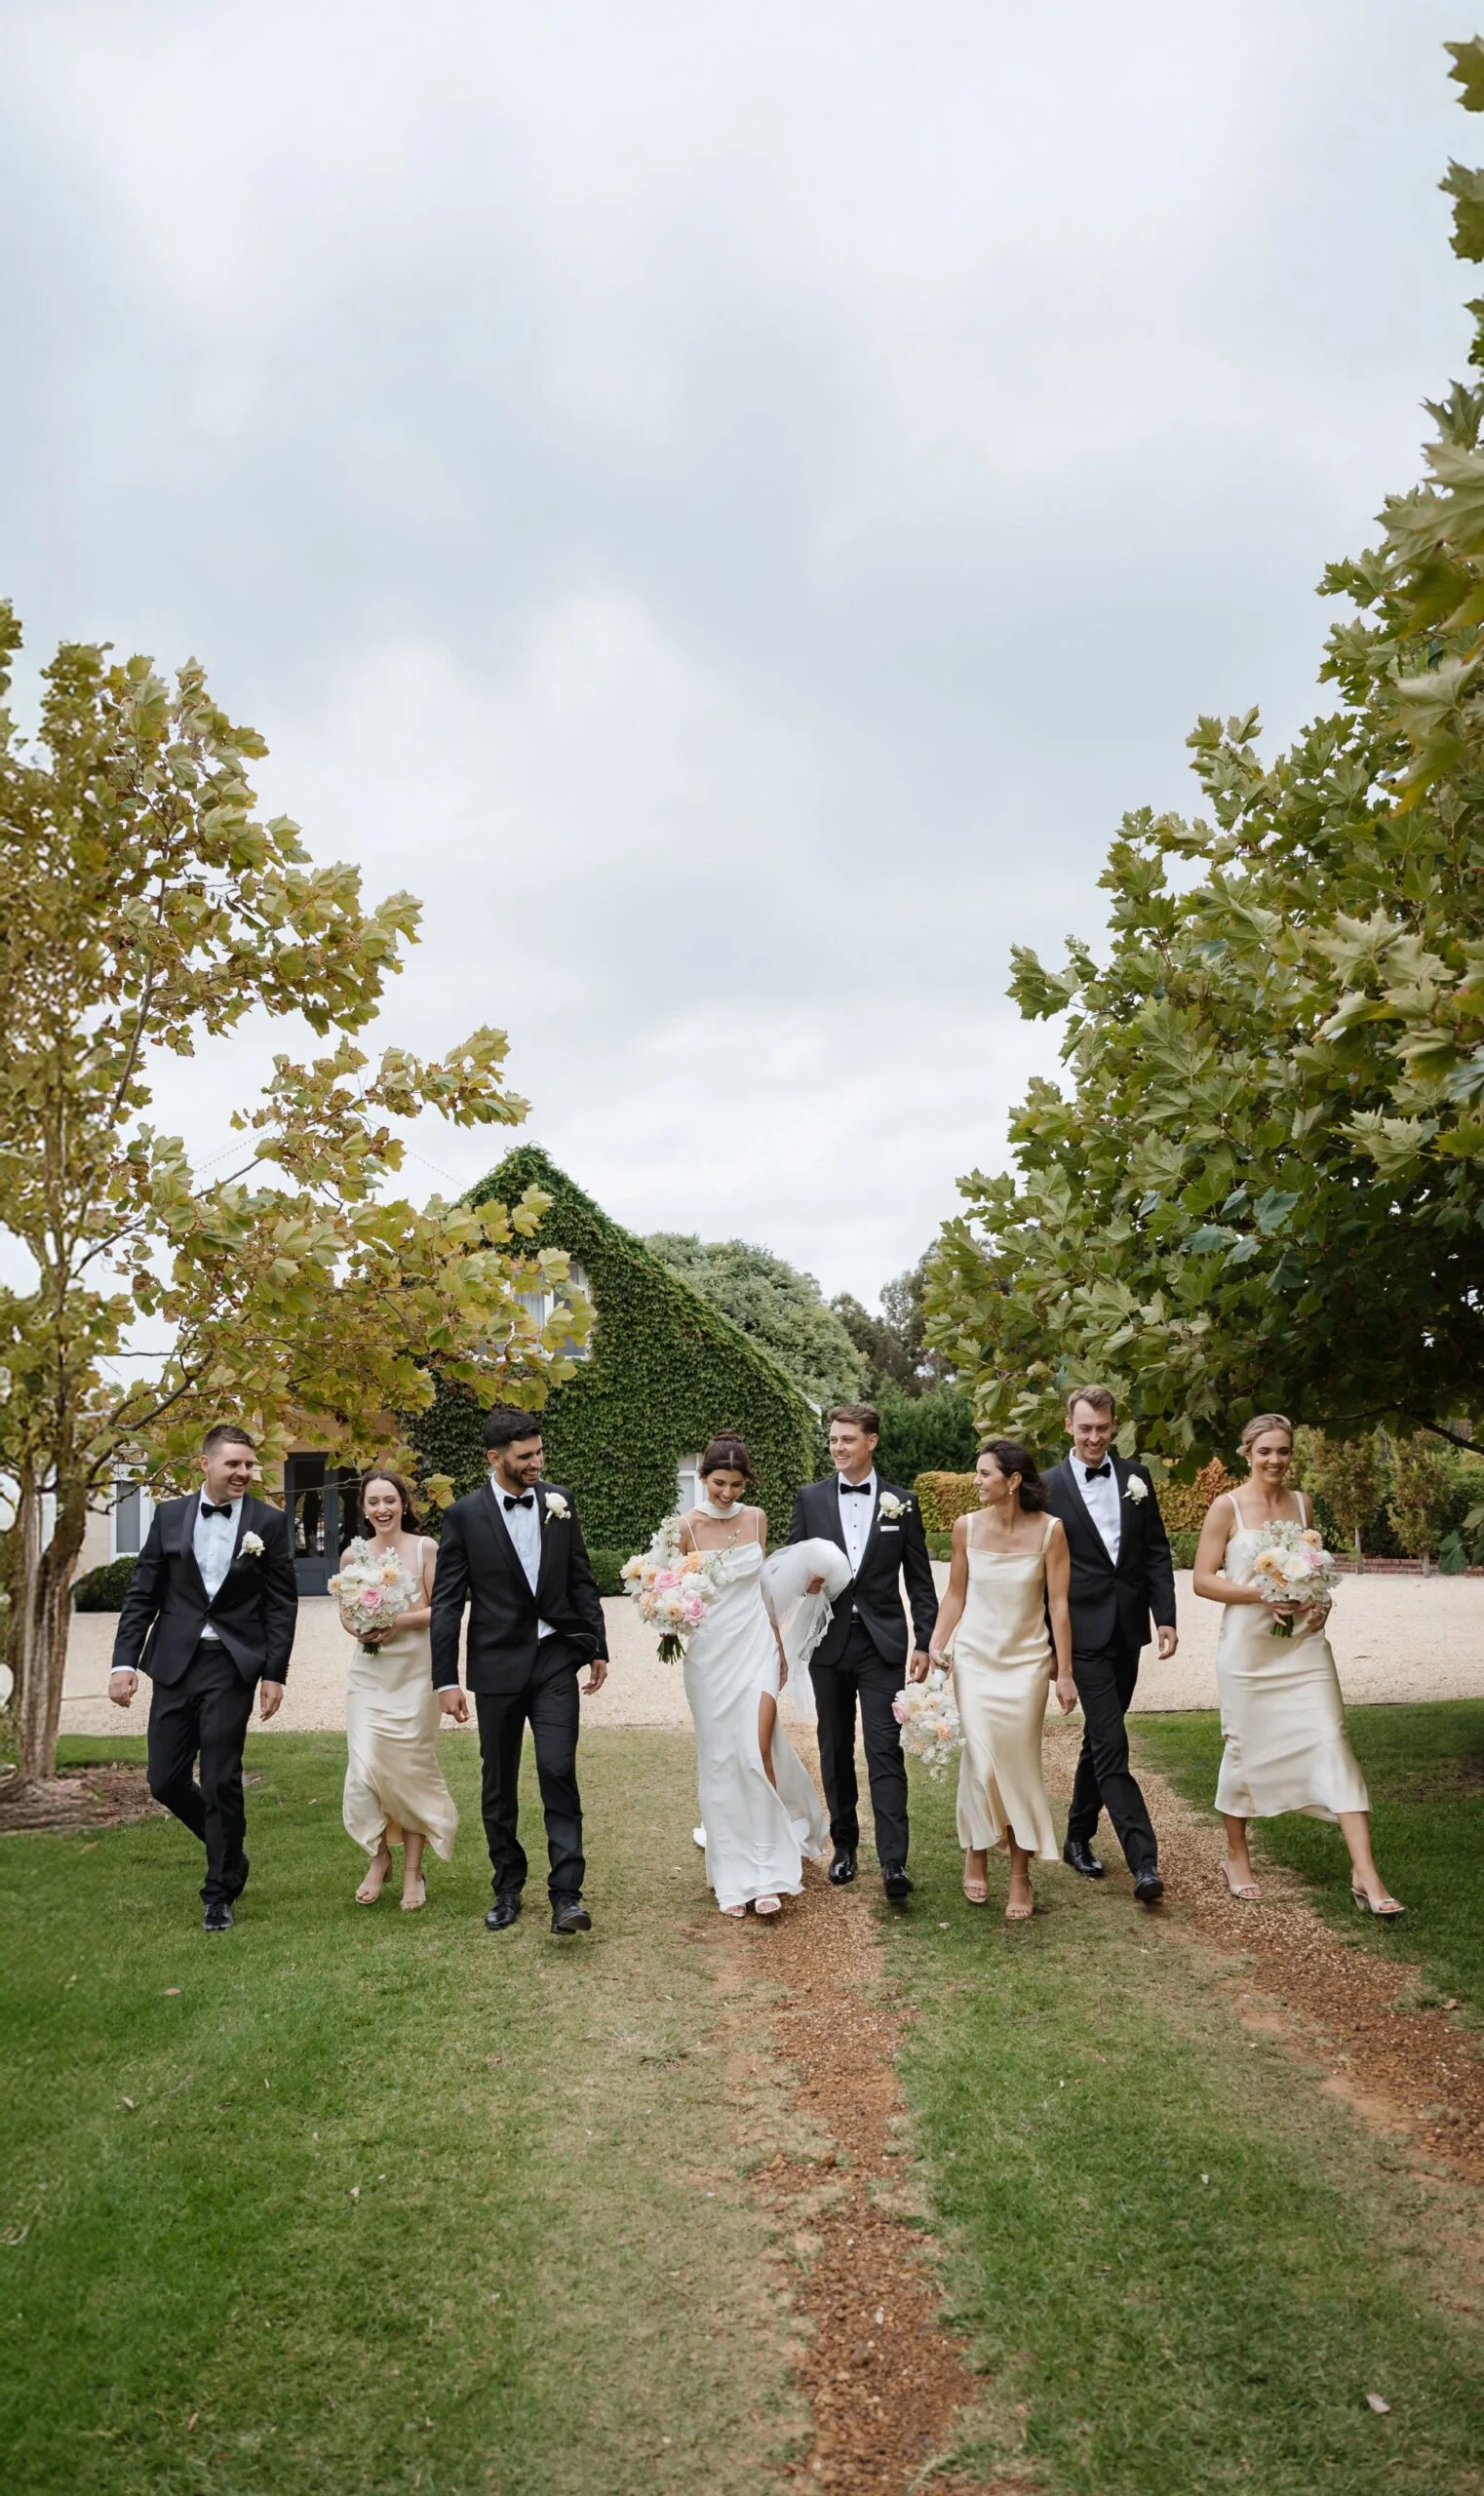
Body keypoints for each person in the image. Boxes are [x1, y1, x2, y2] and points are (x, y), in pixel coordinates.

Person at [1192, 1413, 1402, 1917]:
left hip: (1304, 1647)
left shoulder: (1303, 1503)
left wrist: (1321, 1600)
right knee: (1243, 1747)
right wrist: (1260, 1595)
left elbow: (1313, 1570)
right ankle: (1236, 1856)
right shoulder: (1226, 1507)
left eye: (1283, 1451)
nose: (1275, 1460)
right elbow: (1202, 1580)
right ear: (1247, 1453)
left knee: (1332, 1739)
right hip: (1248, 1651)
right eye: (1265, 1451)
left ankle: (1366, 1873)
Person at [108, 1423, 297, 1930]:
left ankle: (219, 1891)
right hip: (175, 1662)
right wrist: (123, 1663)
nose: (244, 1473)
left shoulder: (270, 1523)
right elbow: (143, 1593)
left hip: (231, 1665)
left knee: (218, 1778)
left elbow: (281, 1604)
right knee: (164, 1780)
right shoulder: (169, 1516)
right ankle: (231, 1851)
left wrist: (274, 1673)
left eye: (249, 1464)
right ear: (205, 1464)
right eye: (233, 1463)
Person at [430, 1407, 606, 1936]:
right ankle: (507, 1887)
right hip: (496, 1665)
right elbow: (447, 1603)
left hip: (554, 1659)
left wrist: (597, 1646)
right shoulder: (464, 1516)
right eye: (525, 1456)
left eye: (539, 1452)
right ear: (495, 1457)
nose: (537, 1463)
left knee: (558, 1768)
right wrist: (446, 1679)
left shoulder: (560, 1502)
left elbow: (580, 1577)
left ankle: (567, 1895)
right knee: (499, 1781)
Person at [674, 1435, 831, 1917]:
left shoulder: (757, 1519)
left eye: (736, 1485)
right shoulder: (685, 1527)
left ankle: (769, 1869)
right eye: (719, 1483)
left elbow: (763, 1589)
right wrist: (667, 1611)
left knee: (758, 1750)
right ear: (704, 1477)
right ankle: (733, 1873)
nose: (727, 1493)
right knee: (722, 1759)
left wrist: (779, 1648)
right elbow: (673, 1593)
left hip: (756, 1645)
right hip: (710, 1656)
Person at [787, 1403, 938, 1901]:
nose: (837, 1447)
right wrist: (805, 1582)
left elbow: (920, 1581)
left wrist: (925, 1641)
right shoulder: (809, 1499)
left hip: (882, 1645)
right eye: (833, 1439)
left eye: (847, 1439)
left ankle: (895, 1861)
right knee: (834, 1749)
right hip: (827, 1643)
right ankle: (845, 1848)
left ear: (871, 1441)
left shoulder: (902, 1503)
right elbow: (791, 1565)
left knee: (884, 1750)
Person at [927, 1440, 1077, 1921]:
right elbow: (955, 1595)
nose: (976, 1481)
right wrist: (935, 1644)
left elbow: (1059, 1606)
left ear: (1012, 1481)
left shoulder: (1051, 1531)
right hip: (974, 1660)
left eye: (985, 1473)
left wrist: (1065, 1672)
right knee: (979, 1760)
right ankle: (975, 1849)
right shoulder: (965, 1527)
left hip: (1027, 1664)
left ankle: (1019, 1875)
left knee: (1017, 1766)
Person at [1039, 1384, 1176, 1906]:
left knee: (1099, 1738)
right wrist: (1054, 1651)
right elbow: (1038, 1573)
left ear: (1114, 1425)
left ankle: (1077, 1835)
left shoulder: (1137, 1477)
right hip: (1080, 1635)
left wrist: (1165, 1617)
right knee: (1113, 1745)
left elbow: (1156, 1549)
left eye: (1102, 1428)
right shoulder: (1046, 1486)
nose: (1094, 1438)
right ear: (1068, 1427)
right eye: (1085, 1428)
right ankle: (1144, 1862)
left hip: (1128, 1630)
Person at [339, 1468, 457, 1911]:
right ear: (364, 1509)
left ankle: (412, 1872)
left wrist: (399, 1620)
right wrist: (360, 1627)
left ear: (404, 1504)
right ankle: (379, 1857)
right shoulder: (352, 1556)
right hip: (369, 1676)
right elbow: (346, 1614)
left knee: (409, 1772)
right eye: (373, 1502)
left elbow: (443, 1607)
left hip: (415, 1674)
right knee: (364, 1769)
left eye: (389, 1500)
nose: (382, 1508)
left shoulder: (425, 1548)